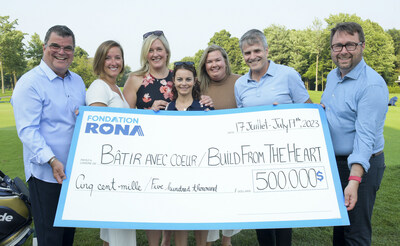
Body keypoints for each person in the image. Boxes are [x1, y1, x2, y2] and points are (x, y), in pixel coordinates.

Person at [123, 30, 212, 246]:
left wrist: (207, 100)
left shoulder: (178, 76)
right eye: (151, 50)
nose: (155, 54)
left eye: (159, 49)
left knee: (176, 202)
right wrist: (147, 111)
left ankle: (168, 240)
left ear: (167, 52)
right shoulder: (135, 79)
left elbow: (193, 100)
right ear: (145, 54)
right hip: (148, 150)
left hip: (181, 151)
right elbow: (123, 117)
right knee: (153, 204)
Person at [234, 29, 311, 246]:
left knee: (283, 216)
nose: (252, 56)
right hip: (255, 159)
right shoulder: (240, 84)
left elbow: (308, 112)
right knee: (261, 217)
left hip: (284, 158)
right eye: (247, 53)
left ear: (267, 50)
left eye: (257, 50)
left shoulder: (288, 75)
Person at [11, 25, 86, 246]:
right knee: (49, 238)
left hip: (72, 173)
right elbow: (27, 130)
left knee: (66, 236)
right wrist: (52, 160)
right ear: (44, 47)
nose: (61, 52)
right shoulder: (30, 83)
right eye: (55, 46)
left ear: (73, 51)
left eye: (68, 48)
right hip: (46, 174)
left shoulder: (78, 81)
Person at [321, 22, 388, 246]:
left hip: (362, 166)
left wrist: (354, 180)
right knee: (340, 229)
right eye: (337, 46)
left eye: (350, 45)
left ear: (362, 46)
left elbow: (365, 138)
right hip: (337, 164)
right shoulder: (333, 76)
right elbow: (330, 114)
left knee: (356, 235)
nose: (343, 51)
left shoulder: (371, 85)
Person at [86, 40, 136, 246]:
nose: (113, 62)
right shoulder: (99, 87)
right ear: (100, 61)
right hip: (112, 167)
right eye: (108, 57)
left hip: (121, 165)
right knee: (119, 230)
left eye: (118, 57)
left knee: (113, 232)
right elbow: (98, 131)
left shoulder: (116, 88)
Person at [165, 61, 212, 246]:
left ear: (194, 81)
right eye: (179, 79)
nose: (183, 83)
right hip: (176, 172)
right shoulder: (168, 108)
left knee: (201, 216)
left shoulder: (204, 107)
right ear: (173, 81)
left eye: (188, 79)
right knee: (179, 217)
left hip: (200, 170)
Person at [198, 44, 241, 246]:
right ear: (204, 65)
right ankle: (208, 239)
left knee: (231, 195)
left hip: (233, 148)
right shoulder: (199, 85)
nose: (214, 64)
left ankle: (226, 239)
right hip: (206, 148)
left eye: (217, 60)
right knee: (209, 196)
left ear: (225, 61)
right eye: (209, 61)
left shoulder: (240, 81)